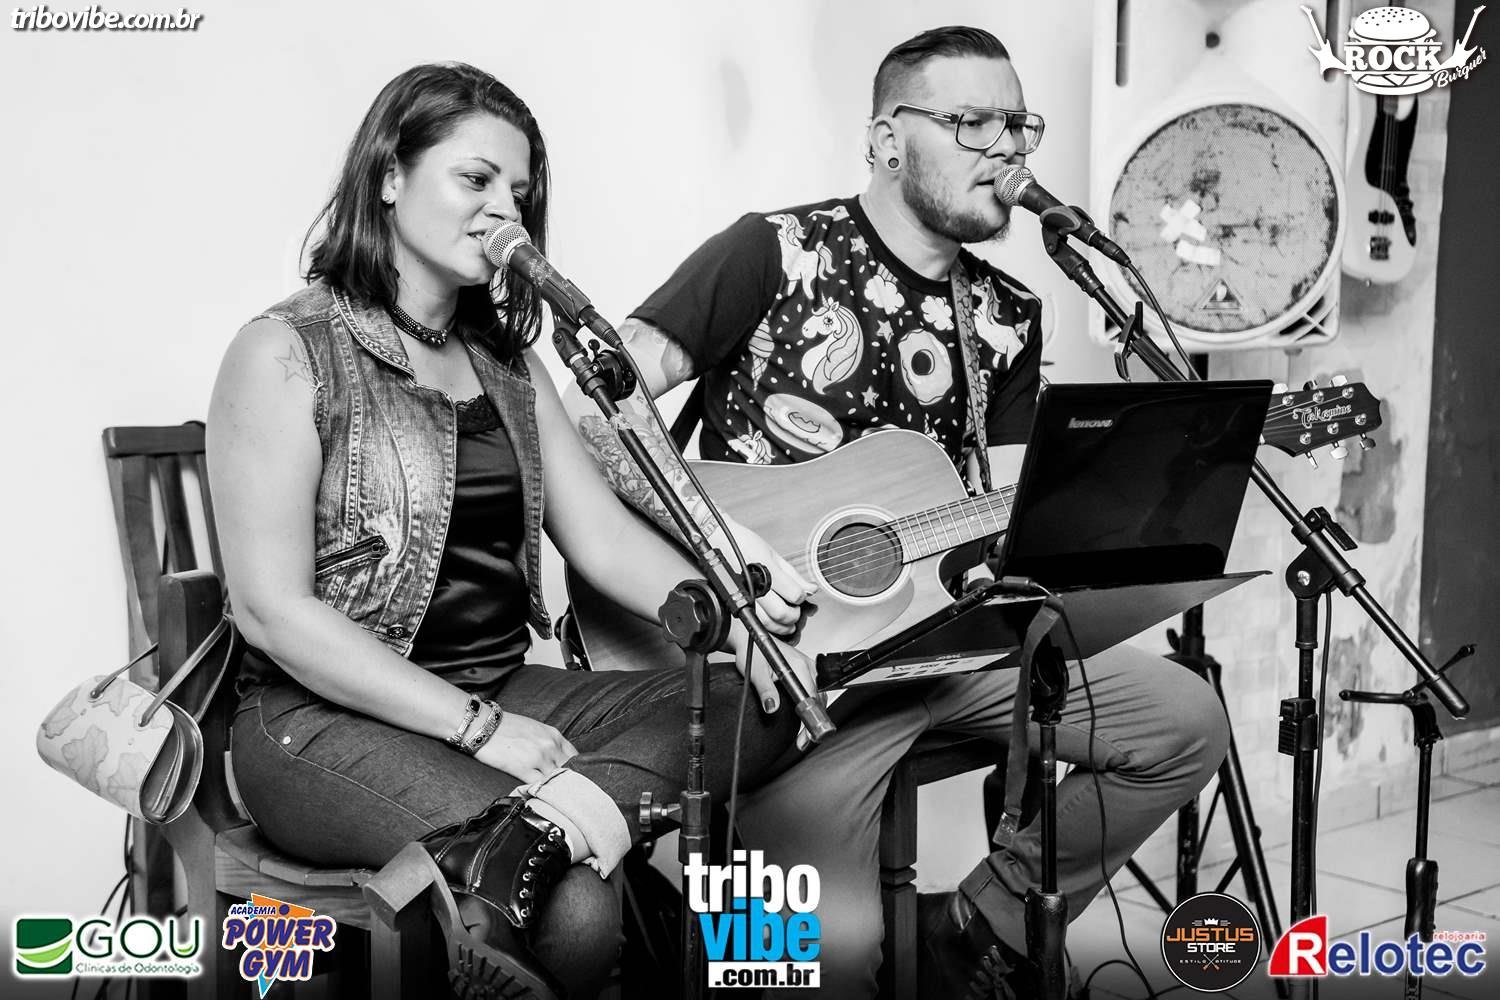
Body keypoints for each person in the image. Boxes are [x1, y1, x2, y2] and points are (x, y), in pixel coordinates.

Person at [564, 26, 1232, 999]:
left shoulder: (1007, 314)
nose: (1007, 148)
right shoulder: (771, 252)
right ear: (886, 141)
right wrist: (728, 546)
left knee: (1185, 720)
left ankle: (981, 921)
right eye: (973, 123)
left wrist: (1113, 496)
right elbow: (594, 408)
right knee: (809, 972)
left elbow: (1010, 508)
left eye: (1019, 125)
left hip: (942, 655)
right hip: (787, 683)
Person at [209, 62, 812, 1000]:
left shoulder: (507, 363)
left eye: (520, 193)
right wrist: (479, 729)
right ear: (389, 177)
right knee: (574, 909)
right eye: (476, 179)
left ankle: (542, 829)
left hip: (499, 684)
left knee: (759, 693)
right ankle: (555, 842)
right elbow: (270, 611)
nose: (505, 212)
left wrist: (735, 622)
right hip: (318, 721)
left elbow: (601, 538)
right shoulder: (287, 351)